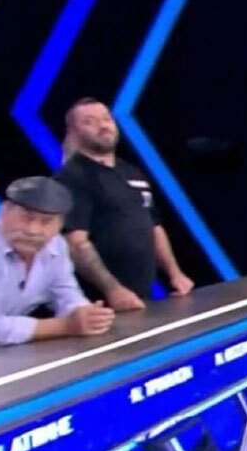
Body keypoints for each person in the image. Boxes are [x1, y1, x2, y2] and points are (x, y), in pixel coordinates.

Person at [0, 177, 115, 351]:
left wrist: (84, 313)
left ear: (60, 224)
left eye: (46, 222)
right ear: (4, 211)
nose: (33, 230)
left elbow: (65, 292)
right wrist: (66, 326)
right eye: (26, 218)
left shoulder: (55, 245)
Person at [55, 97, 194, 311]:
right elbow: (75, 242)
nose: (102, 125)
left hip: (142, 297)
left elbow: (154, 226)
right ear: (73, 132)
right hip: (97, 306)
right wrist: (113, 289)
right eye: (89, 121)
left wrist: (175, 274)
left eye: (106, 118)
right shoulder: (73, 176)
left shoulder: (132, 172)